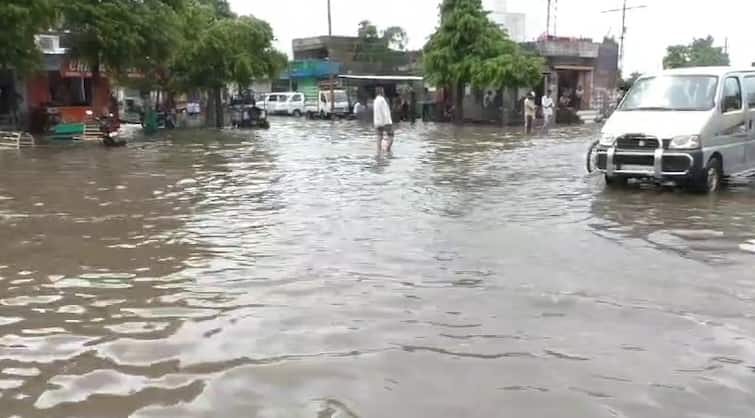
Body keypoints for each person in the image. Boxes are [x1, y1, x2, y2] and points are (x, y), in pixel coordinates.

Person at [373, 87, 394, 153]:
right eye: (383, 91)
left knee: (379, 136)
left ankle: (379, 150)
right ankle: (388, 149)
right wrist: (388, 122)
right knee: (391, 135)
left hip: (377, 122)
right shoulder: (382, 100)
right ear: (381, 92)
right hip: (385, 121)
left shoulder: (375, 100)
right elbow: (385, 112)